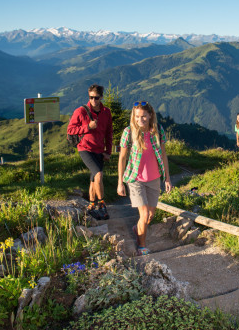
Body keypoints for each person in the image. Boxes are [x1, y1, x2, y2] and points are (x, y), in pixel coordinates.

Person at [117, 101, 172, 256]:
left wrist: (167, 178)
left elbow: (163, 155)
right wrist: (120, 182)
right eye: (137, 116)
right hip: (135, 179)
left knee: (150, 216)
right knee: (144, 215)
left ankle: (137, 228)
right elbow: (122, 158)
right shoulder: (129, 132)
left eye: (143, 116)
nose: (140, 119)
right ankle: (142, 246)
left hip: (154, 179)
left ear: (150, 115)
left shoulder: (158, 131)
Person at [67, 84, 112, 219]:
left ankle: (91, 204)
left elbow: (109, 133)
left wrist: (108, 151)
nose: (93, 100)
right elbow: (70, 130)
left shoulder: (106, 112)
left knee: (93, 179)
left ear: (101, 97)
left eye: (96, 98)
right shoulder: (80, 111)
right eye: (91, 97)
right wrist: (87, 127)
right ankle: (102, 204)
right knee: (98, 175)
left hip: (99, 149)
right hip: (85, 148)